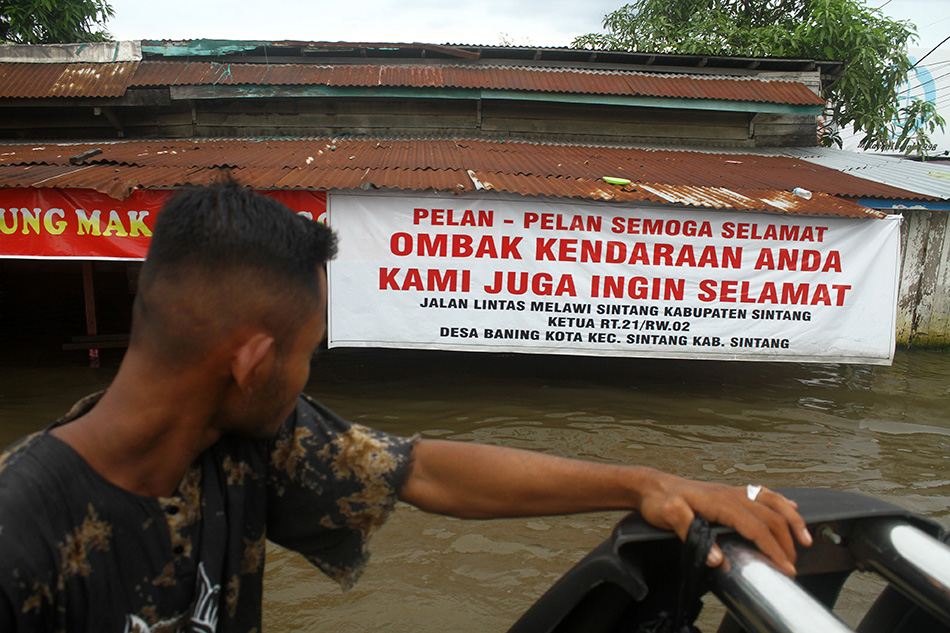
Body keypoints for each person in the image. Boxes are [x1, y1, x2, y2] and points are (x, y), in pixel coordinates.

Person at [0, 182, 811, 632]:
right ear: (249, 363)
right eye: (306, 351)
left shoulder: (238, 441)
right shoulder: (21, 544)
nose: (307, 370)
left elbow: (426, 471)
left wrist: (645, 483)